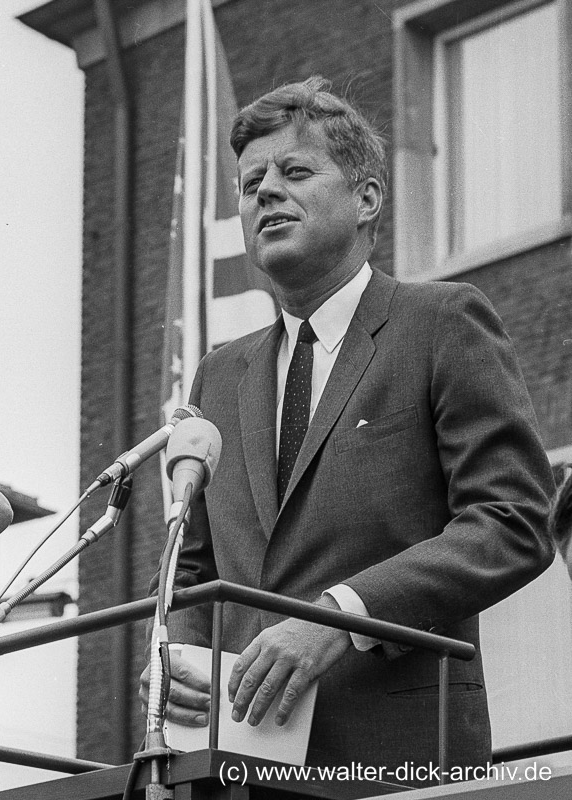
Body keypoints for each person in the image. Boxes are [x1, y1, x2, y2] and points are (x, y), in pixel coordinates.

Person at [141, 76, 555, 784]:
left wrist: (342, 616)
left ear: (367, 199)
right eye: (250, 184)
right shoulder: (220, 375)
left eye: (294, 171)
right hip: (237, 771)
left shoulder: (442, 323)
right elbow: (191, 567)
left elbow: (513, 518)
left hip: (398, 764)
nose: (265, 192)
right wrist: (171, 660)